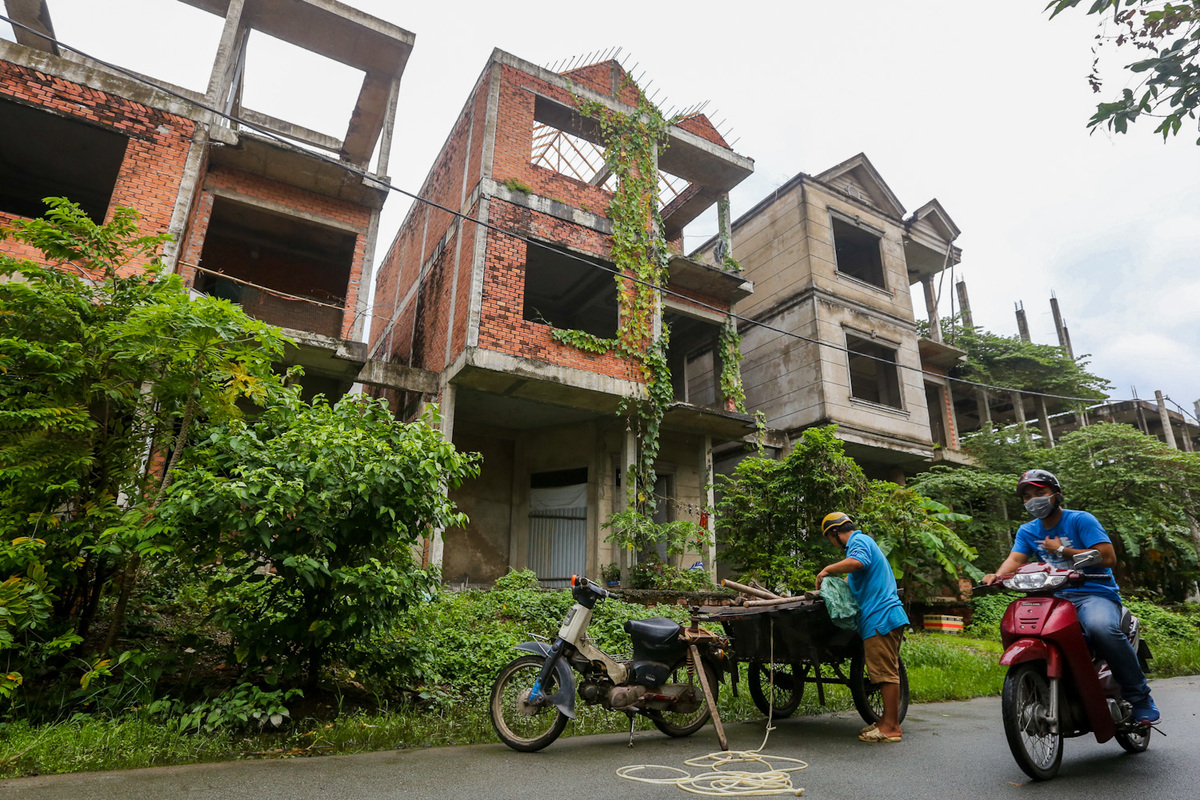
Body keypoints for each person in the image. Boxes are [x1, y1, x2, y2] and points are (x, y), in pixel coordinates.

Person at [983, 469, 1159, 724]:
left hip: (1093, 594)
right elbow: (1015, 559)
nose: (1034, 500)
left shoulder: (1081, 520)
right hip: (1052, 598)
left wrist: (1063, 550)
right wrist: (995, 576)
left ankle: (1140, 696)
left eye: (1040, 493)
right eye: (1027, 496)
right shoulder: (1027, 530)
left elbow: (1107, 557)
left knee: (1102, 630)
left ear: (1056, 495)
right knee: (1022, 630)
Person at [816, 511, 909, 742]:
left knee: (886, 674)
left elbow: (858, 563)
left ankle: (892, 727)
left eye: (830, 537)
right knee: (882, 671)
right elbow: (852, 580)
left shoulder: (859, 541)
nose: (832, 543)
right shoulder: (858, 547)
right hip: (879, 617)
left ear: (835, 532)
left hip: (882, 616)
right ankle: (885, 722)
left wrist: (827, 569)